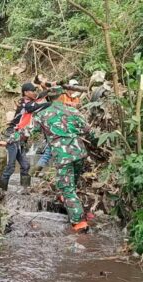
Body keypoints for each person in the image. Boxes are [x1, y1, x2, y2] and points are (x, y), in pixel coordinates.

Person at [31, 87, 91, 233]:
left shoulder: (42, 115)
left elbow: (27, 132)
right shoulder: (73, 111)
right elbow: (87, 130)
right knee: (70, 185)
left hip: (63, 155)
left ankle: (80, 223)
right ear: (62, 96)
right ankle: (66, 200)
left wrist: (9, 140)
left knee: (67, 188)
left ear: (47, 98)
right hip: (79, 153)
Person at [0, 82, 50, 190]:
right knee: (10, 167)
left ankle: (25, 191)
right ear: (26, 92)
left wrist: (50, 90)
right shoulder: (24, 104)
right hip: (14, 135)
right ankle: (1, 192)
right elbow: (37, 107)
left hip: (21, 138)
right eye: (33, 91)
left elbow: (40, 96)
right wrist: (52, 104)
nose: (34, 93)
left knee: (25, 166)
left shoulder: (30, 102)